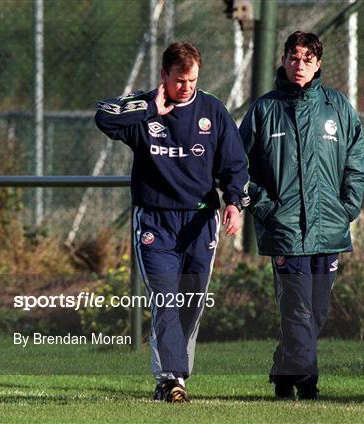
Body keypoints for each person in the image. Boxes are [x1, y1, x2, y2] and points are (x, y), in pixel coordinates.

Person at [95, 41, 249, 403]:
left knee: (191, 301)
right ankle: (171, 379)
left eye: (193, 80)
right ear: (164, 75)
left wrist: (234, 204)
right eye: (180, 80)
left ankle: (177, 373)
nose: (187, 87)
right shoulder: (143, 109)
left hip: (200, 221)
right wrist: (150, 108)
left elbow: (234, 165)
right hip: (155, 222)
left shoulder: (212, 110)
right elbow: (104, 117)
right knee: (164, 299)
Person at [240, 31, 364, 400]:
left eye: (307, 59)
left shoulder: (337, 107)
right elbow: (237, 168)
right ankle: (307, 381)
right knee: (297, 310)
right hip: (285, 230)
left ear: (318, 64)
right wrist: (267, 208)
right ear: (283, 60)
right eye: (294, 58)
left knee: (318, 312)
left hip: (329, 228)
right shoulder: (264, 109)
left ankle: (284, 368)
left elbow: (355, 160)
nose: (300, 65)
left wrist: (347, 207)